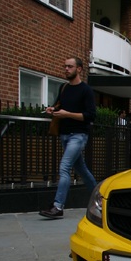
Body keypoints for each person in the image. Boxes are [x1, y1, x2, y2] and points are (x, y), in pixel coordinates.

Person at [40, 57, 97, 219]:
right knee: (81, 169)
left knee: (64, 167)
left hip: (78, 136)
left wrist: (67, 114)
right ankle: (101, 197)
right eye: (65, 66)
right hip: (64, 135)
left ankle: (58, 206)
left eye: (70, 67)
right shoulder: (63, 87)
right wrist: (53, 109)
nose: (66, 69)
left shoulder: (86, 90)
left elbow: (90, 116)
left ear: (79, 69)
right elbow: (60, 105)